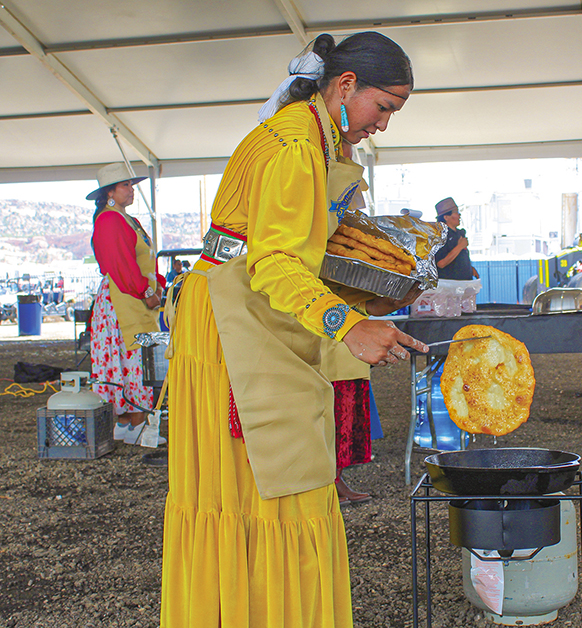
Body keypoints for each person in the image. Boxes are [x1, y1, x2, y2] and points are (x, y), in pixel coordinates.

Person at [160, 32, 426, 628]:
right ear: (347, 85)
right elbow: (275, 261)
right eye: (383, 108)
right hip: (236, 321)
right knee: (272, 479)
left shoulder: (307, 134)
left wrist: (369, 293)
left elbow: (298, 251)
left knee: (273, 482)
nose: (382, 125)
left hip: (245, 312)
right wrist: (348, 324)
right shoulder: (293, 144)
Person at [87, 162, 167, 446]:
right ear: (110, 192)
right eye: (126, 185)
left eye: (132, 185)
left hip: (131, 296)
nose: (132, 190)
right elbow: (120, 264)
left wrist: (154, 285)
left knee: (135, 357)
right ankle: (132, 422)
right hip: (123, 299)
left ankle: (132, 422)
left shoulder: (125, 219)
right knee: (132, 357)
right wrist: (146, 292)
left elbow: (141, 260)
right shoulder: (109, 220)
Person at [321, 339, 373, 506]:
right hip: (324, 348)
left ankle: (336, 479)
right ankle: (325, 483)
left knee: (347, 421)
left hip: (351, 350)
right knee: (329, 422)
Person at [434, 197, 479, 280]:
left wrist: (469, 268)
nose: (459, 215)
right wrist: (460, 246)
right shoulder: (440, 236)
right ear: (446, 217)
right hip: (450, 286)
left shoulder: (459, 234)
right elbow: (441, 263)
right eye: (456, 213)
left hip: (464, 284)